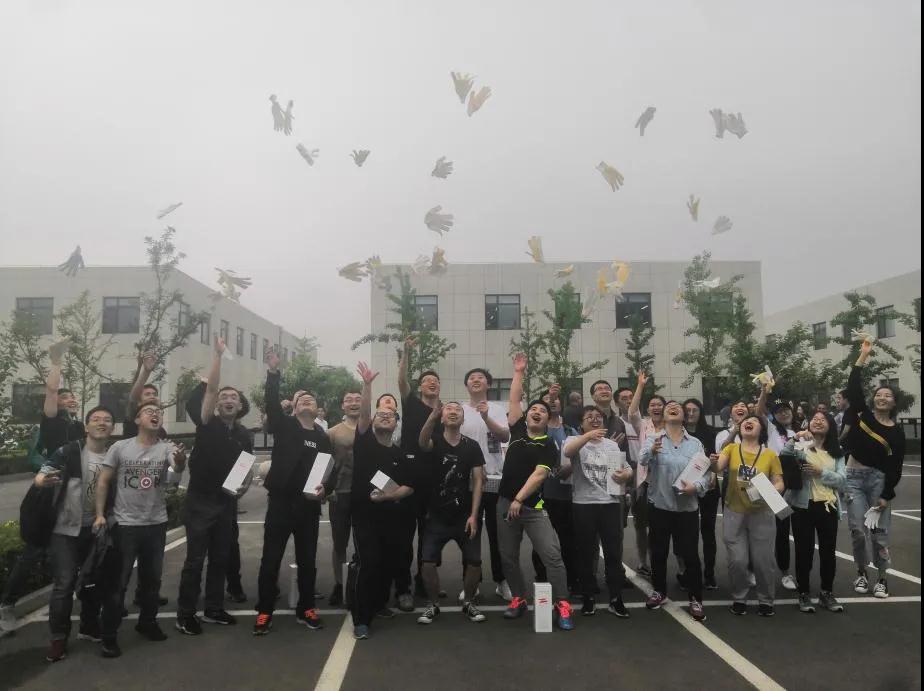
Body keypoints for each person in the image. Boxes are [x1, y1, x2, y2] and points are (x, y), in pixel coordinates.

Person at [1, 341, 85, 634]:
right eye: (65, 397)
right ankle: (7, 604)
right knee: (34, 551)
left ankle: (76, 593)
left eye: (72, 396)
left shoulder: (79, 426)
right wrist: (56, 362)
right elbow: (50, 391)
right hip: (49, 492)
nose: (70, 399)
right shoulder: (51, 422)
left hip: (74, 494)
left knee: (74, 546)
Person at [95, 402, 187, 657]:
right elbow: (103, 481)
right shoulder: (120, 447)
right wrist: (100, 514)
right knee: (119, 582)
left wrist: (180, 462)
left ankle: (147, 622)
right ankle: (109, 635)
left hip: (156, 524)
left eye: (158, 412)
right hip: (125, 525)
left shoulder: (167, 447)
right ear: (137, 420)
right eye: (149, 411)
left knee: (152, 580)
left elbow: (176, 469)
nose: (155, 414)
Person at [253, 349, 335, 635]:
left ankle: (306, 608)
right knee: (270, 560)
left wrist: (326, 489)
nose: (306, 401)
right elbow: (271, 404)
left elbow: (330, 470)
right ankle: (264, 611)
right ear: (295, 407)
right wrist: (273, 373)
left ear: (318, 408)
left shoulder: (322, 437)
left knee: (308, 561)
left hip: (308, 508)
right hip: (280, 504)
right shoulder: (285, 426)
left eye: (311, 399)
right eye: (301, 399)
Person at [175, 337, 254, 635]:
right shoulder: (207, 422)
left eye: (234, 397)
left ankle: (213, 608)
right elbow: (210, 389)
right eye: (224, 396)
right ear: (217, 404)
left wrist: (243, 488)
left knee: (221, 558)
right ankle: (185, 614)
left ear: (241, 405)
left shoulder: (244, 435)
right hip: (200, 501)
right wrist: (218, 356)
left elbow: (245, 468)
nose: (228, 399)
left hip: (226, 503)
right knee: (195, 560)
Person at [496, 354, 574, 631]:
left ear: (547, 418)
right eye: (533, 409)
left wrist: (520, 499)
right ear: (526, 416)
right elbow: (514, 400)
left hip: (533, 506)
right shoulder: (517, 431)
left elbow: (539, 474)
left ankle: (562, 603)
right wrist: (518, 372)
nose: (537, 412)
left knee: (551, 554)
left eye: (542, 410)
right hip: (505, 503)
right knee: (508, 555)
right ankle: (518, 598)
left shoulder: (548, 445)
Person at [36, 406, 117, 662]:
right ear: (86, 426)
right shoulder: (70, 451)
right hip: (65, 529)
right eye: (96, 419)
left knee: (95, 580)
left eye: (107, 420)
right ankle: (58, 639)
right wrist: (42, 480)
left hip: (96, 528)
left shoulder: (114, 454)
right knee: (65, 583)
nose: (102, 423)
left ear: (112, 427)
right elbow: (44, 471)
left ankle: (89, 626)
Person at [350, 362, 415, 640]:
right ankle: (361, 619)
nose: (386, 417)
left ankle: (378, 604)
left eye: (391, 416)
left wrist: (389, 496)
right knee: (369, 563)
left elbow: (409, 487)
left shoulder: (400, 454)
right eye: (381, 415)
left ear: (396, 423)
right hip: (364, 517)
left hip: (392, 518)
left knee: (388, 563)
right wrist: (367, 385)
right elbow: (364, 414)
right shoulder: (365, 443)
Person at [845, 338, 906, 599]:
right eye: (879, 395)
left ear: (893, 403)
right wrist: (863, 355)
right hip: (854, 479)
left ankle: (882, 579)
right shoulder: (864, 416)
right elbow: (853, 387)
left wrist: (886, 494)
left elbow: (896, 466)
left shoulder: (897, 433)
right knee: (858, 531)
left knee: (879, 534)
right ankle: (861, 573)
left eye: (887, 396)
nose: (882, 397)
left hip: (878, 482)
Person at [416, 401, 486, 624]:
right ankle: (433, 604)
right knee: (427, 562)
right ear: (442, 417)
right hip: (436, 516)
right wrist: (432, 416)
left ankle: (469, 603)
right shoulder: (434, 441)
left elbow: (478, 480)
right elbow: (422, 442)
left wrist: (474, 515)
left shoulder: (472, 446)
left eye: (458, 410)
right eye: (449, 409)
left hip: (464, 516)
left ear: (463, 419)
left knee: (474, 562)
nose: (453, 411)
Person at [638, 401, 709, 622]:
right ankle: (659, 591)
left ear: (684, 416)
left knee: (690, 555)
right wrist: (652, 450)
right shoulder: (653, 439)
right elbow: (642, 460)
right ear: (664, 415)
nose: (673, 407)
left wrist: (696, 487)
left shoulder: (695, 443)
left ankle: (695, 598)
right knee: (658, 552)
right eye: (669, 406)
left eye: (677, 406)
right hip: (660, 506)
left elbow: (705, 474)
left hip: (687, 509)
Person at [561, 406, 632, 618]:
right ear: (581, 424)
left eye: (598, 417)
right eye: (589, 417)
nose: (595, 420)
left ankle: (615, 598)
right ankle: (588, 596)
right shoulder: (573, 440)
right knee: (585, 552)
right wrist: (587, 436)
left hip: (610, 503)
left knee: (613, 552)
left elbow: (626, 468)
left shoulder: (611, 444)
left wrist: (625, 475)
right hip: (584, 503)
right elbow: (568, 453)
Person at [713, 415, 784, 616]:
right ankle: (739, 597)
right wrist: (711, 463)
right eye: (746, 420)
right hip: (734, 512)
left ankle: (766, 600)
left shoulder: (770, 454)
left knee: (763, 561)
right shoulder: (731, 449)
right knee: (738, 560)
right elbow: (718, 467)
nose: (748, 421)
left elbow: (779, 482)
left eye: (754, 420)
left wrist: (771, 490)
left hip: (762, 513)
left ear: (761, 430)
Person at [780, 413, 847, 614]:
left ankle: (826, 592)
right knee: (804, 551)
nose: (817, 421)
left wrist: (821, 472)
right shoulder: (802, 446)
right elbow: (783, 454)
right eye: (814, 418)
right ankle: (804, 592)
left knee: (828, 552)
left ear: (831, 426)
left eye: (823, 419)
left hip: (828, 506)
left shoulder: (836, 451)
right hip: (802, 505)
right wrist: (796, 437)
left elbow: (842, 480)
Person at [460, 366, 512, 600]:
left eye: (480, 377)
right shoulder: (460, 410)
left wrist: (486, 417)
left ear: (488, 384)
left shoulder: (498, 409)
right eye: (471, 378)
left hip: (494, 479)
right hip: (468, 482)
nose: (476, 380)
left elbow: (504, 436)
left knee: (498, 534)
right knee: (470, 533)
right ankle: (472, 582)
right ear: (467, 385)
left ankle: (502, 581)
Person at [397, 337, 441, 609]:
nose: (431, 383)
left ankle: (425, 583)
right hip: (407, 480)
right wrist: (405, 354)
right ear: (420, 386)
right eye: (426, 380)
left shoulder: (444, 411)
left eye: (435, 380)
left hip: (432, 484)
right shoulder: (411, 404)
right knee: (404, 538)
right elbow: (402, 381)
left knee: (429, 537)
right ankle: (403, 588)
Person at [530, 384, 579, 596]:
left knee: (568, 539)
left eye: (556, 399)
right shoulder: (537, 430)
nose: (552, 402)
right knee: (542, 540)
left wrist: (571, 467)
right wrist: (550, 396)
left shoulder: (570, 430)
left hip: (567, 495)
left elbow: (579, 456)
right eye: (548, 400)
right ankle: (542, 579)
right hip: (541, 494)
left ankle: (570, 579)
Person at [757, 390, 798, 593]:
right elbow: (759, 411)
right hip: (772, 485)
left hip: (795, 486)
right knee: (769, 530)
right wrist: (764, 391)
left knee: (787, 530)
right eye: (779, 411)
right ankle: (761, 570)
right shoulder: (772, 430)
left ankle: (785, 572)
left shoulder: (800, 431)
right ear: (773, 416)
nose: (784, 413)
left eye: (786, 410)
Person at [326, 390, 363, 607]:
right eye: (349, 400)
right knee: (339, 543)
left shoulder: (370, 429)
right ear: (343, 406)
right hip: (339, 494)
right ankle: (339, 584)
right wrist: (326, 489)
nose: (354, 403)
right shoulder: (332, 433)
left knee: (363, 543)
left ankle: (359, 583)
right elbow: (324, 463)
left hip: (364, 495)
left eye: (358, 400)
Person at [682, 398, 720, 590]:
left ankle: (709, 573)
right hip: (686, 486)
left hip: (709, 486)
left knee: (708, 531)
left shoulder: (711, 433)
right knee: (687, 532)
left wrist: (713, 474)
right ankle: (689, 573)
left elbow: (716, 459)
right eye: (687, 410)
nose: (690, 413)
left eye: (694, 410)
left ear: (700, 412)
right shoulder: (679, 433)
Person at [616, 385, 649, 580]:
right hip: (622, 477)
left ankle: (644, 562)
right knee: (617, 525)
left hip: (643, 476)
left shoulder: (645, 423)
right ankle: (616, 568)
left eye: (631, 397)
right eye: (624, 398)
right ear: (617, 403)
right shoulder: (616, 424)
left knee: (642, 523)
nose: (629, 400)